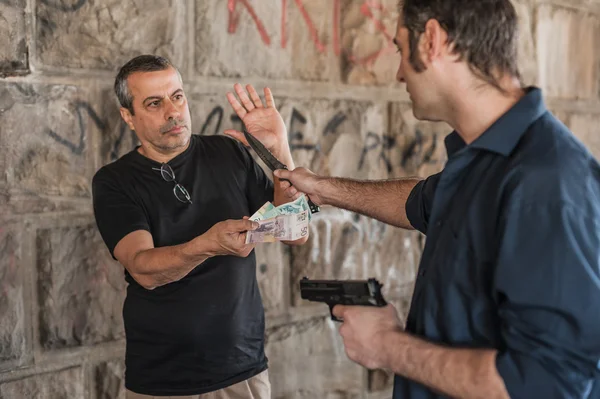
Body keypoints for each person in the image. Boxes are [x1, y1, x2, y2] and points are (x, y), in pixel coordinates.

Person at [273, 0, 600, 398]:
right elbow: (420, 202)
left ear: (432, 40)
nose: (397, 73)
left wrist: (387, 346)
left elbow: (546, 385)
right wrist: (322, 187)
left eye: (399, 49)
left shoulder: (548, 185)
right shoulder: (485, 160)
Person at [92, 54, 307, 399]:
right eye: (154, 103)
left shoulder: (229, 152)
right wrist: (208, 244)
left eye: (177, 96)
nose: (173, 111)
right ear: (128, 117)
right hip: (162, 380)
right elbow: (143, 268)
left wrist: (278, 152)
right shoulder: (115, 181)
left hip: (242, 372)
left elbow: (295, 231)